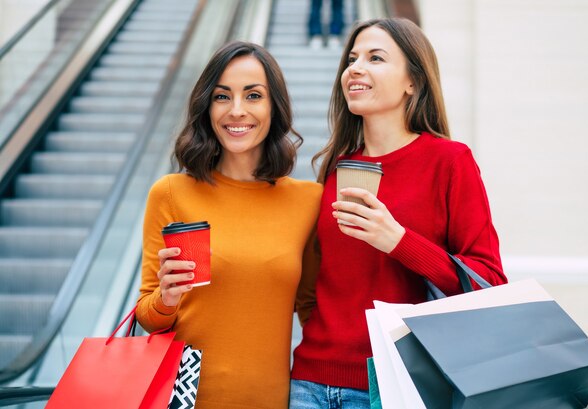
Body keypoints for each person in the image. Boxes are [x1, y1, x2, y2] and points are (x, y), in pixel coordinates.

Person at [290, 18, 508, 408]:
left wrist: (400, 241)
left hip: (396, 385)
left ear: (414, 82)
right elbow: (317, 282)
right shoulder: (336, 167)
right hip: (310, 382)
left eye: (375, 58)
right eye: (352, 58)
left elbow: (488, 282)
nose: (354, 68)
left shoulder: (450, 161)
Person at [136, 41, 322, 409]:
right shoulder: (172, 193)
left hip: (270, 399)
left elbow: (313, 310)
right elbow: (148, 315)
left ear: (274, 107)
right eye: (222, 97)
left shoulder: (307, 201)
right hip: (184, 400)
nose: (237, 111)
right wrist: (168, 298)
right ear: (207, 107)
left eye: (253, 96)